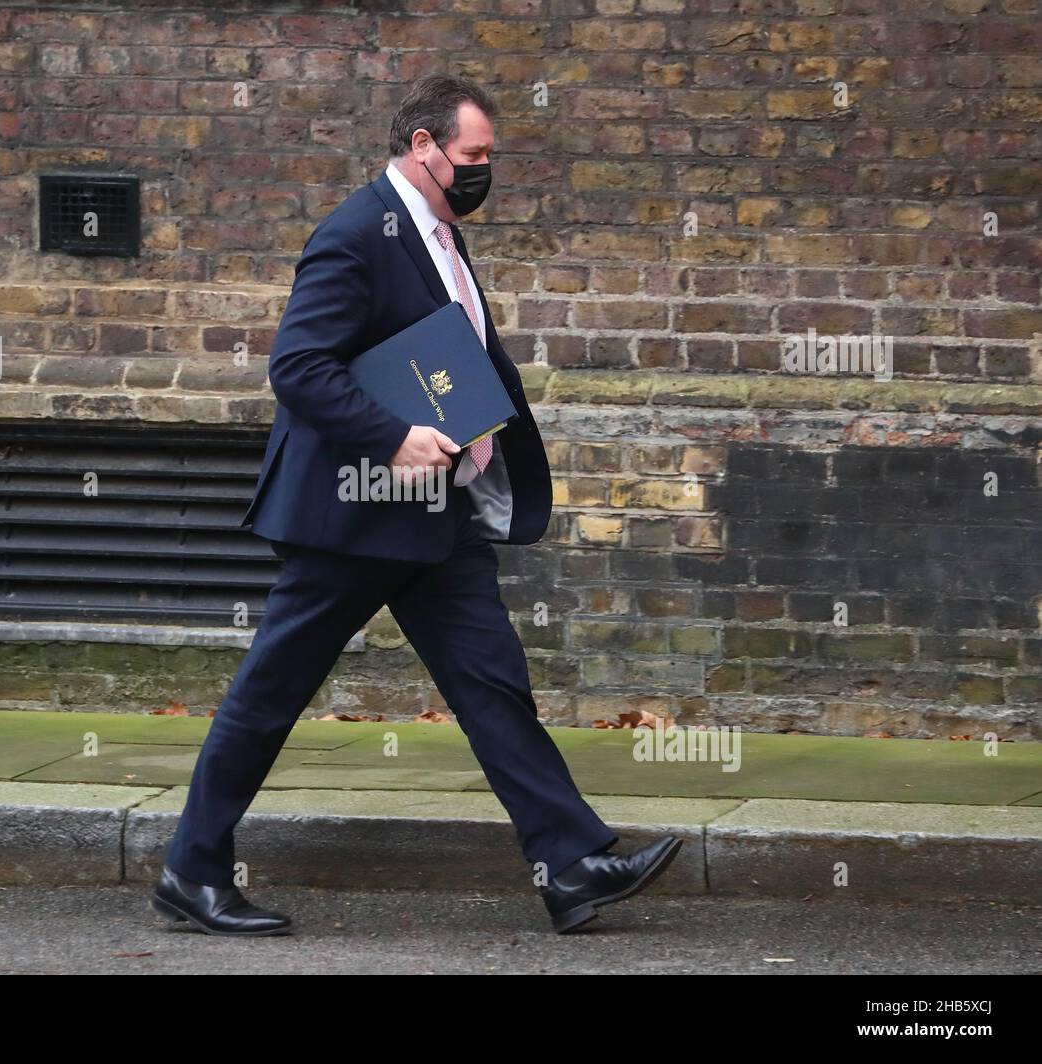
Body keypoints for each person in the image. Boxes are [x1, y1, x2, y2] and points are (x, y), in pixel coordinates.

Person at [152, 73, 682, 936]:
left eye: (489, 157)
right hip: (350, 516)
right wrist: (393, 437)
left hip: (437, 513)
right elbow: (298, 368)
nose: (484, 171)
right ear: (423, 146)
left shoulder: (435, 231)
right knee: (271, 694)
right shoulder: (356, 234)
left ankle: (571, 864)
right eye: (473, 155)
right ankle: (192, 871)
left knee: (492, 685)